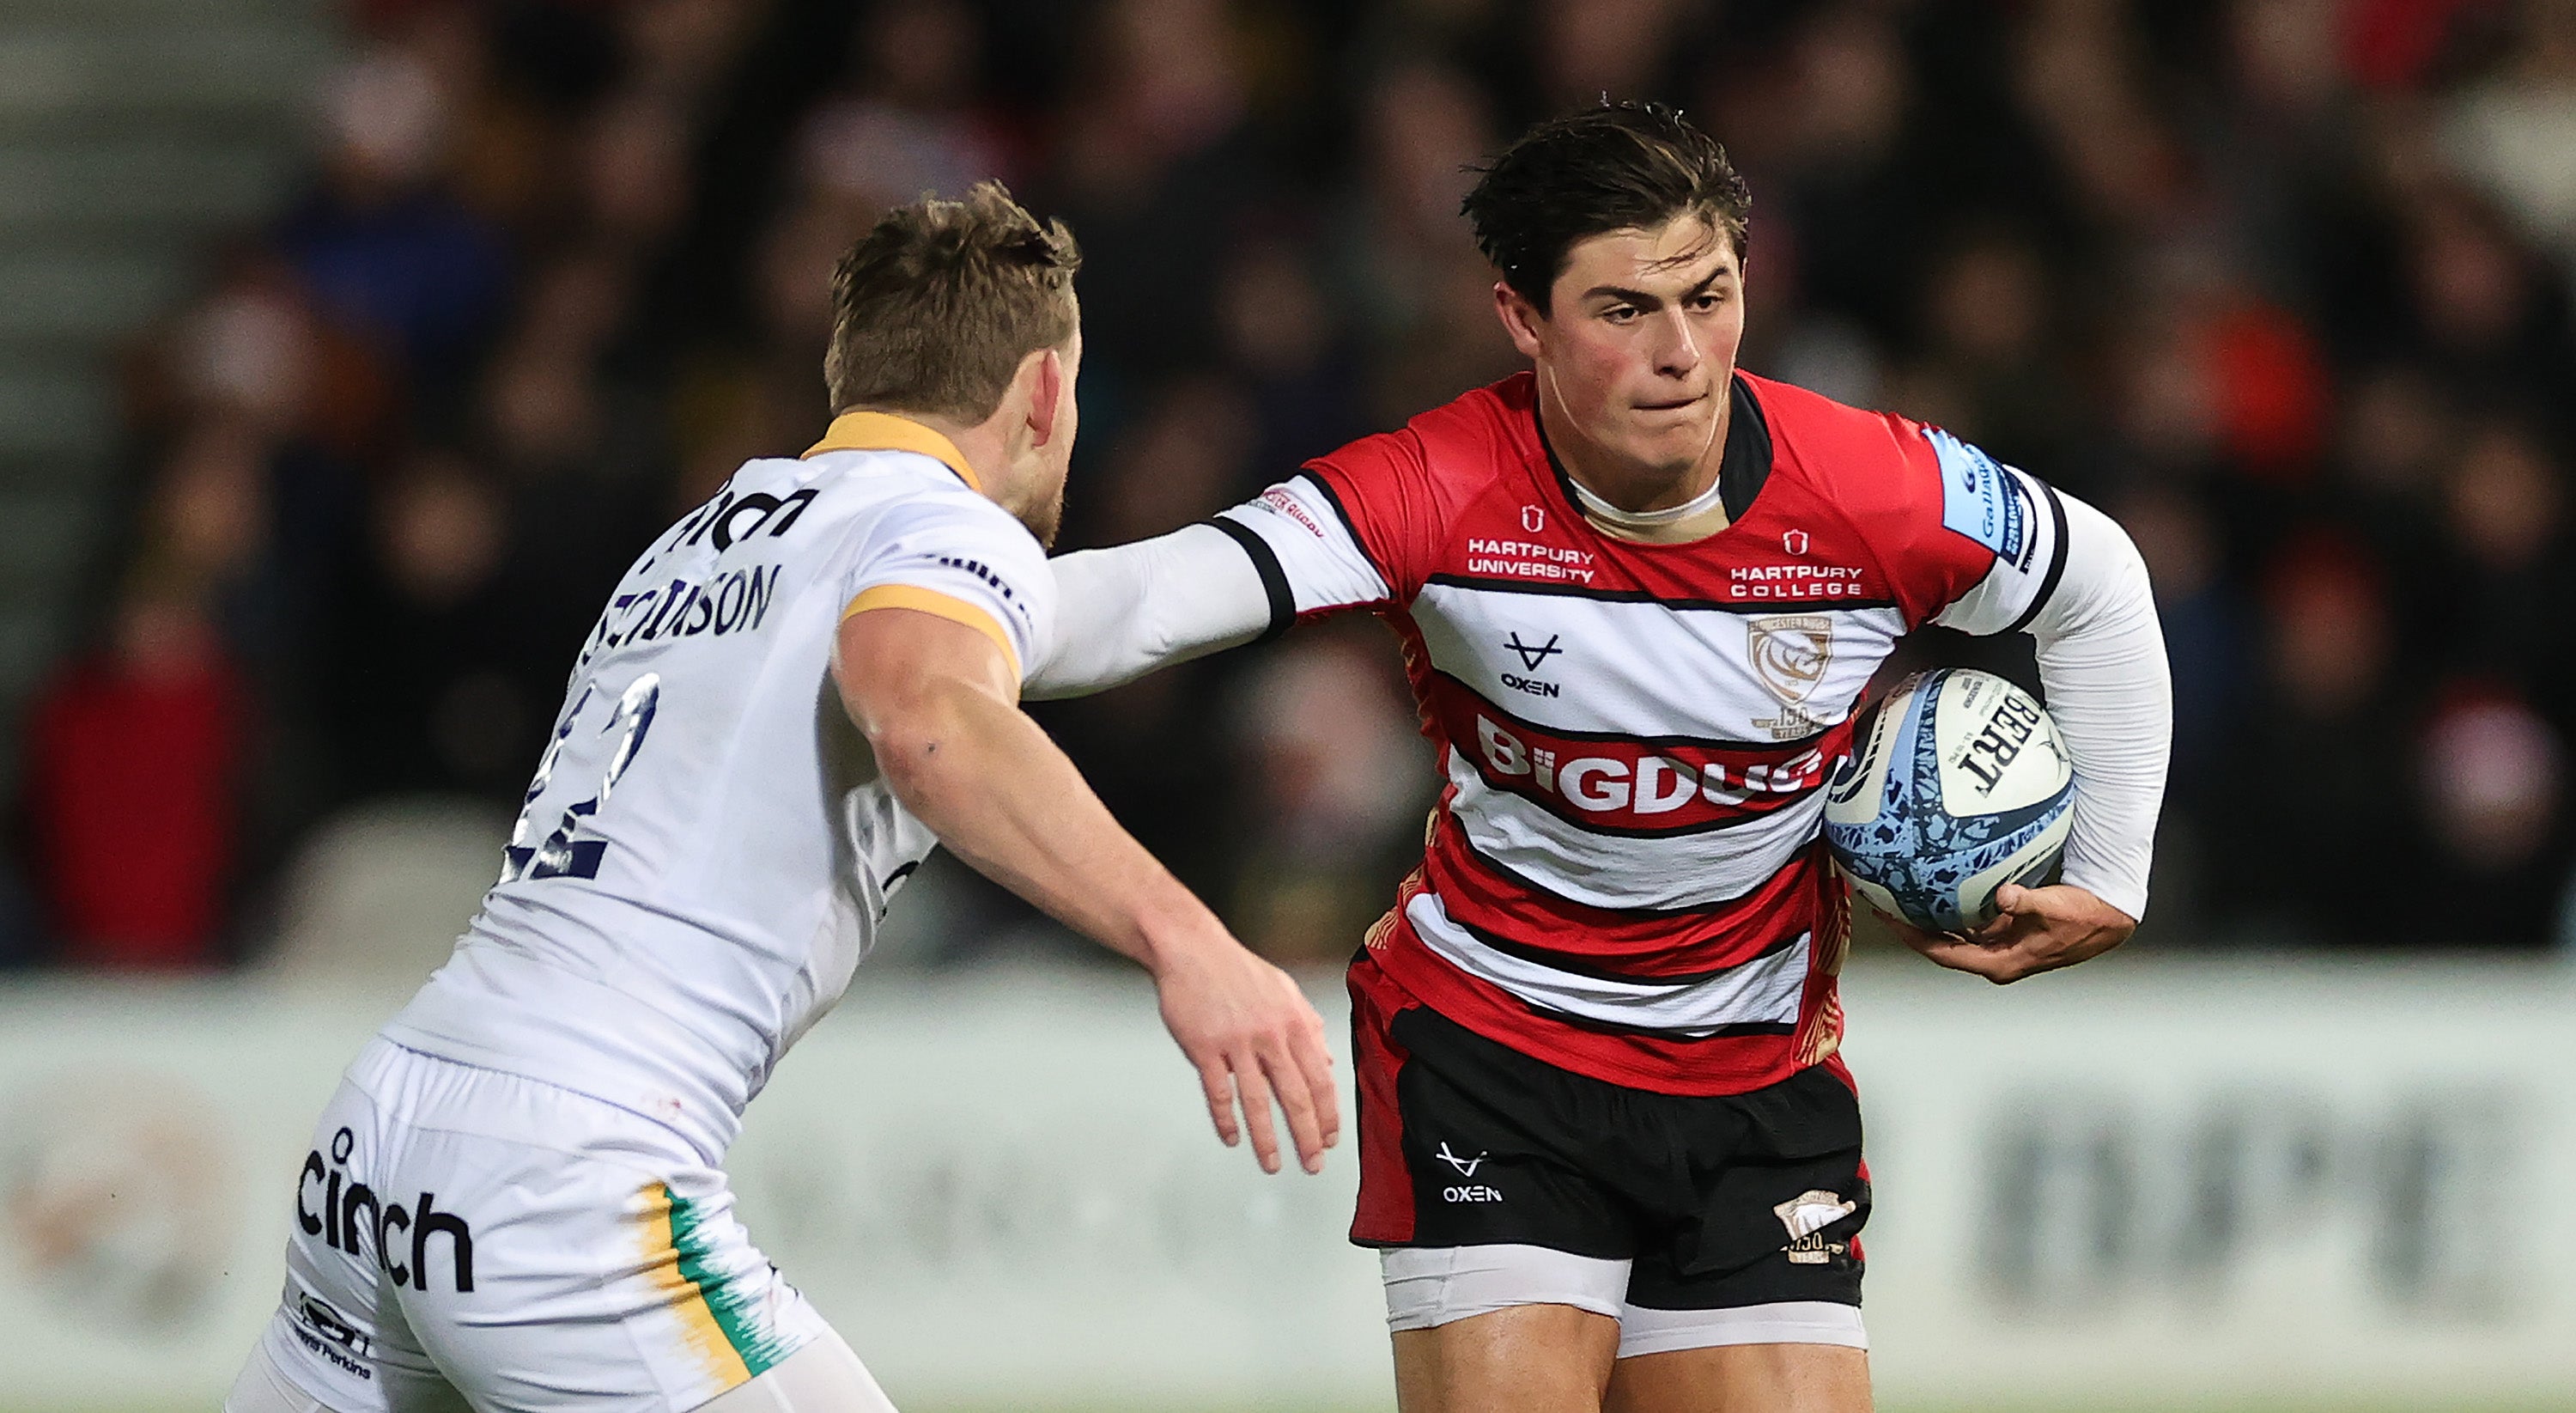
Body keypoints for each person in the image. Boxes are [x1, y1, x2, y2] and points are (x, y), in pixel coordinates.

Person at [1030, 103, 2171, 1413]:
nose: (1681, 353)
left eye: (1709, 296)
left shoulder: (1875, 487)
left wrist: (2112, 872)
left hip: (1756, 1083)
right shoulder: (1438, 486)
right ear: (1523, 317)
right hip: (1495, 1058)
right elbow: (1156, 596)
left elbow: (2098, 581)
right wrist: (922, 600)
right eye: (1625, 309)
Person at [227, 183, 1339, 1413]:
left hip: (387, 1131)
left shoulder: (709, 539)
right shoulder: (936, 528)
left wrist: (1365, 528)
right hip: (571, 1170)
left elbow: (1105, 611)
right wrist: (1187, 939)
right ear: (1043, 390)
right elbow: (925, 718)